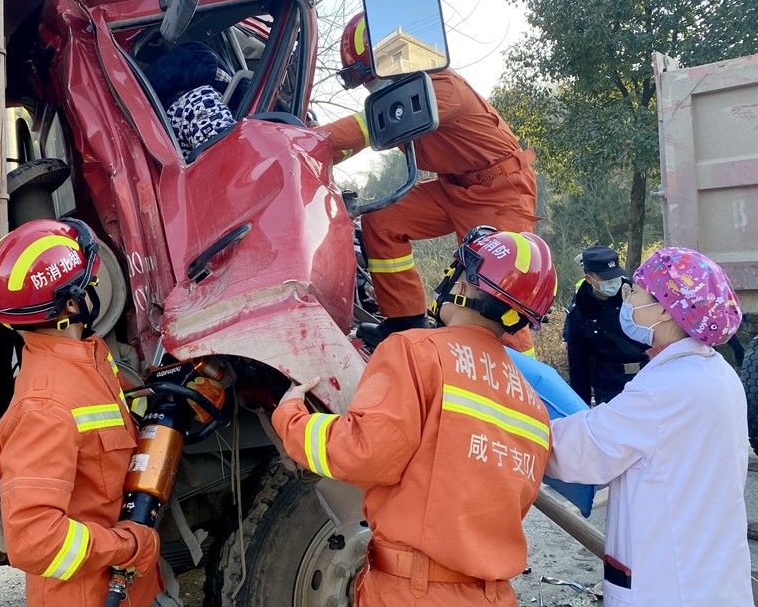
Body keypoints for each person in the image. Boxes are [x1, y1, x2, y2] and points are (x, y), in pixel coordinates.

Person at [272, 227, 557, 606]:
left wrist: (290, 416)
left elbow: (364, 453)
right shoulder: (533, 406)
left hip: (413, 591)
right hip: (493, 596)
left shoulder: (415, 351)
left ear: (467, 285)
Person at [0, 217, 162, 607]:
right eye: (90, 282)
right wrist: (127, 545)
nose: (96, 288)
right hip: (88, 596)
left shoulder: (84, 357)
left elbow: (109, 421)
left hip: (124, 588)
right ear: (71, 303)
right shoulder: (46, 409)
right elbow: (35, 542)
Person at [321, 13, 539, 353]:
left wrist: (304, 143)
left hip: (500, 192)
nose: (368, 87)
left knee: (497, 289)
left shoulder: (439, 88)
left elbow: (364, 129)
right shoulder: (409, 95)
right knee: (383, 222)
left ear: (393, 60)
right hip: (454, 188)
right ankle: (405, 323)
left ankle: (522, 382)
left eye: (368, 75)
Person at [546, 247, 750, 606]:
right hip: (706, 572)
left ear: (665, 310)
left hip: (668, 582)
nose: (629, 301)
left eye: (637, 293)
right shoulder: (716, 372)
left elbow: (581, 453)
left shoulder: (664, 390)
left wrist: (516, 417)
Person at [564, 245, 648, 404]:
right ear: (589, 278)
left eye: (615, 276)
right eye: (606, 279)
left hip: (647, 379)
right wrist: (580, 408)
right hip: (609, 389)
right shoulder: (580, 313)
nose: (613, 282)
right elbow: (578, 367)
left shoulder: (638, 298)